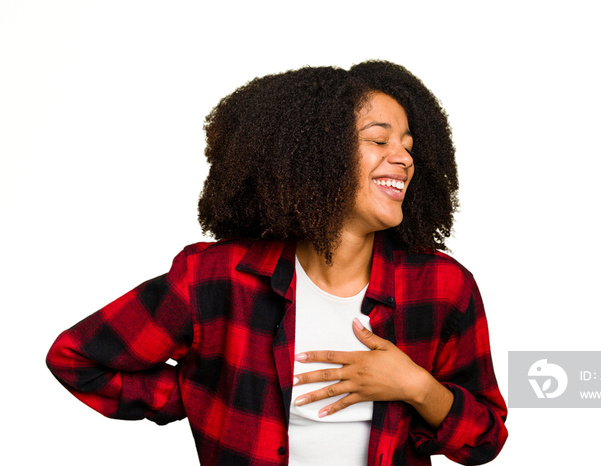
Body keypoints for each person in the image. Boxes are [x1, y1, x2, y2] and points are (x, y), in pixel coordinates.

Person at [46, 60, 508, 466]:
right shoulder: (216, 278)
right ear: (316, 155)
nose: (404, 157)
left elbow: (485, 439)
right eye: (378, 139)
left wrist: (416, 386)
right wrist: (201, 394)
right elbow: (76, 357)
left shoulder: (443, 287)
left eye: (408, 144)